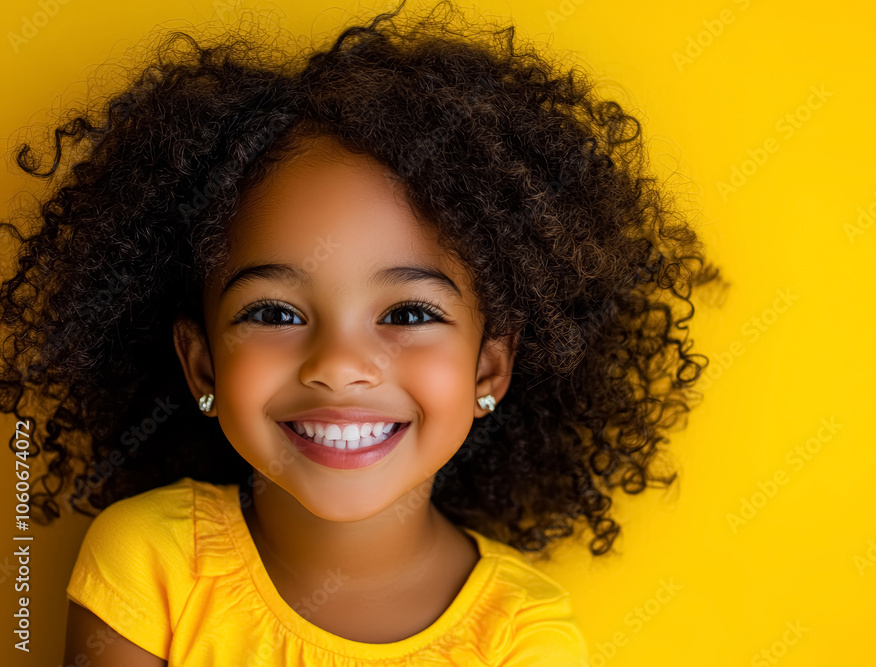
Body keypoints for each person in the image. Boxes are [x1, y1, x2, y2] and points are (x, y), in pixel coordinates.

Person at [0, 1, 723, 664]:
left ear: (490, 369)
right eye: (275, 313)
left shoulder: (521, 636)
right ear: (200, 365)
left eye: (408, 314)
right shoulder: (152, 561)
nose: (340, 365)